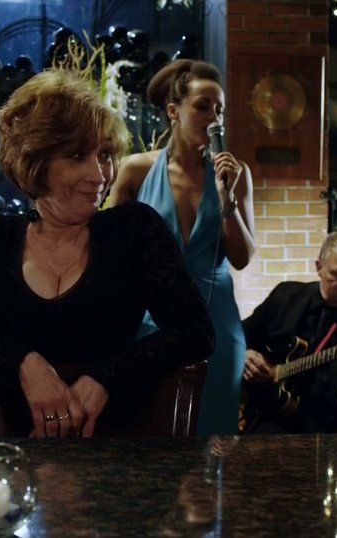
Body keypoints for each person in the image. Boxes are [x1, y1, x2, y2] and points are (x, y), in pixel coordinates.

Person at [0, 68, 214, 438]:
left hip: (115, 449)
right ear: (35, 161)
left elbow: (197, 331)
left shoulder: (135, 230)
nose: (99, 175)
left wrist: (104, 377)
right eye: (77, 156)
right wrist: (23, 362)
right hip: (6, 454)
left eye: (105, 155)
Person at [109, 59, 257, 436]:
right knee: (152, 435)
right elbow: (107, 250)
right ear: (174, 111)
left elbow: (242, 258)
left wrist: (227, 200)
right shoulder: (135, 170)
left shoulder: (235, 174)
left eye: (220, 109)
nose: (214, 118)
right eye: (203, 106)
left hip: (217, 324)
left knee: (213, 438)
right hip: (152, 322)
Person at [240, 230, 337, 433]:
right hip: (271, 414)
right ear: (319, 267)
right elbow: (241, 333)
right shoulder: (286, 296)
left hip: (336, 426)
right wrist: (246, 353)